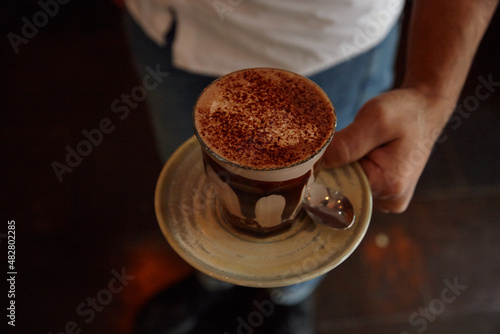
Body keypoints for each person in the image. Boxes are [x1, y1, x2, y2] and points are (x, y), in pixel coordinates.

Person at [122, 0, 499, 333]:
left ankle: (289, 297)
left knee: (311, 220)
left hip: (331, 42)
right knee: (192, 182)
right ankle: (214, 284)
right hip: (171, 24)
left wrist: (432, 94)